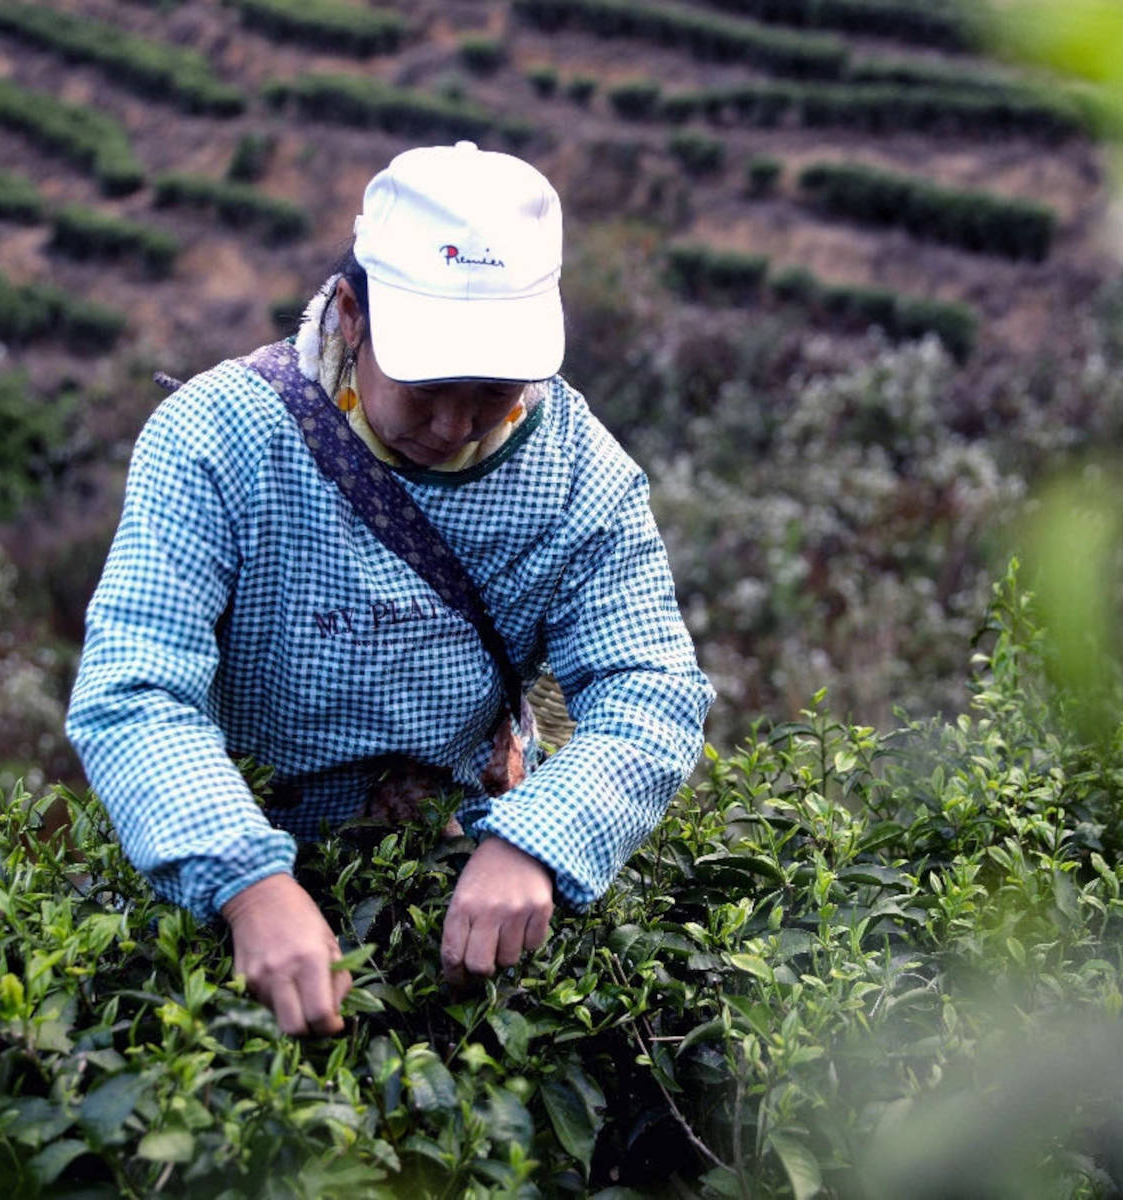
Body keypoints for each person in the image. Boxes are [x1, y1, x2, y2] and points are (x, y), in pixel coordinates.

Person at [65, 141, 714, 1037]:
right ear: (351, 313)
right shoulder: (218, 439)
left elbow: (651, 687)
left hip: (456, 881)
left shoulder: (575, 472)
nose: (454, 425)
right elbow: (135, 689)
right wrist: (247, 885)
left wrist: (538, 838)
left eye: (492, 390)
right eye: (427, 387)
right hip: (232, 876)